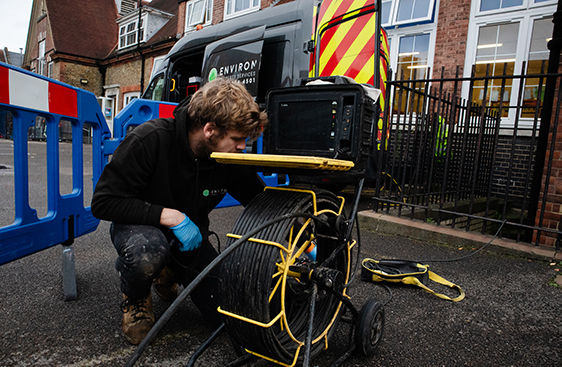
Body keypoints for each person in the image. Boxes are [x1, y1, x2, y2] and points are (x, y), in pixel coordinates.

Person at [91, 77, 267, 345]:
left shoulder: (228, 158)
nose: (243, 146)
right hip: (140, 230)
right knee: (147, 253)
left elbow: (259, 200)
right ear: (210, 130)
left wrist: (299, 234)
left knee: (228, 316)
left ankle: (168, 271)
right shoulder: (150, 139)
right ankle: (136, 296)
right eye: (237, 138)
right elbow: (104, 201)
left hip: (189, 239)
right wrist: (169, 216)